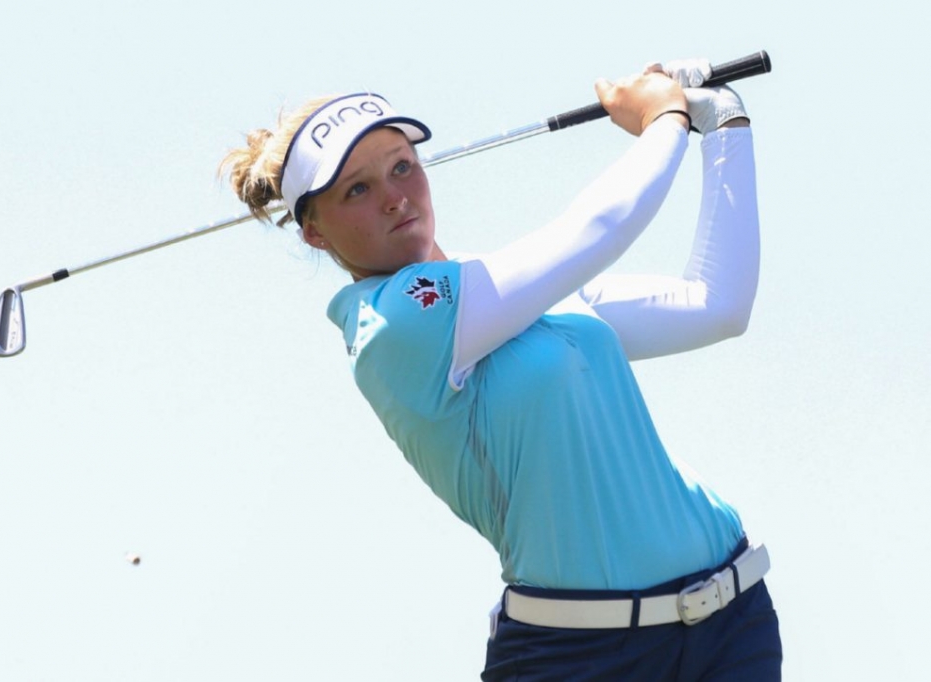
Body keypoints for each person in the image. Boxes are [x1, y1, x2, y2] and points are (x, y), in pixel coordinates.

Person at [220, 59, 781, 681]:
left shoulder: (508, 292)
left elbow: (717, 304)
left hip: (734, 622)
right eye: (358, 189)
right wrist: (663, 118)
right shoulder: (393, 321)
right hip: (583, 658)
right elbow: (600, 228)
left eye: (401, 166)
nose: (394, 197)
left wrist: (724, 123)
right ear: (314, 233)